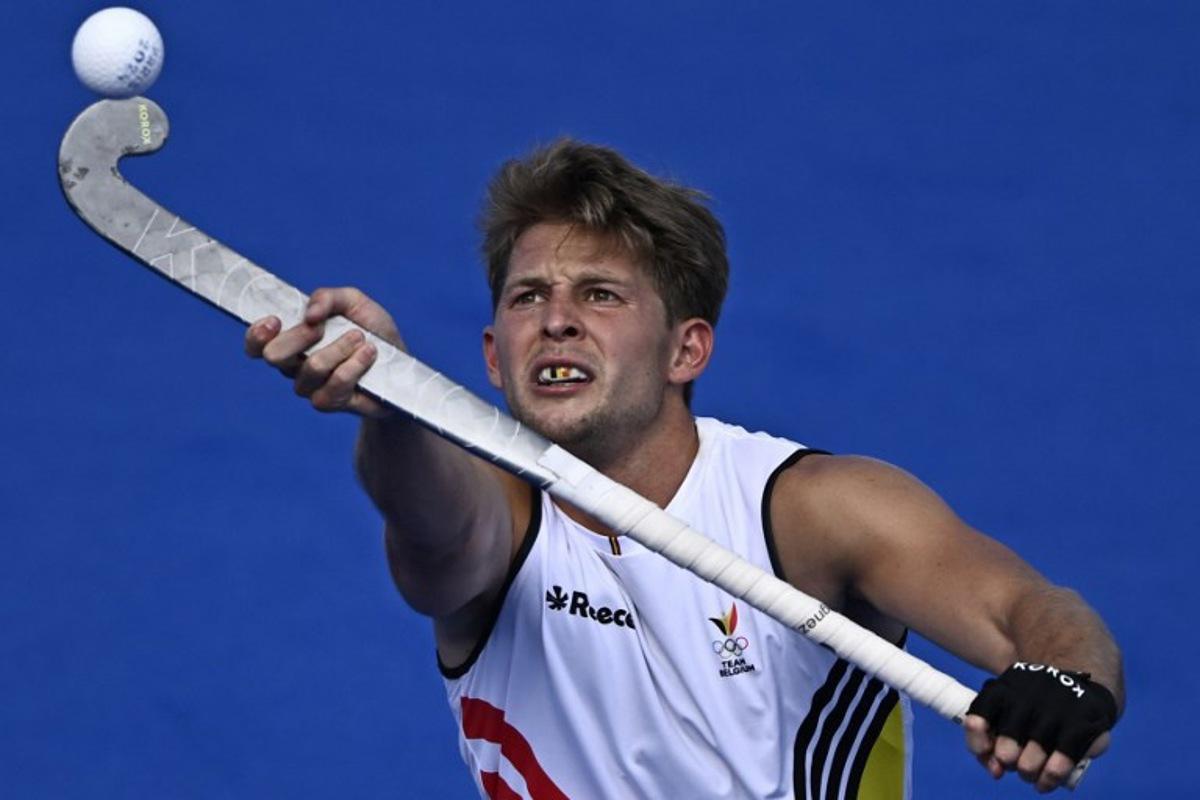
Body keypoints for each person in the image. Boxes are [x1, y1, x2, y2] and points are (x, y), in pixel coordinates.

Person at [244, 140, 1122, 798]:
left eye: (600, 294)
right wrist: (398, 412)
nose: (556, 322)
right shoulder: (498, 523)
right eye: (527, 298)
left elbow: (1031, 613)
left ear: (686, 349)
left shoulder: (810, 511)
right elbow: (432, 523)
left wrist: (1064, 681)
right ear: (492, 358)